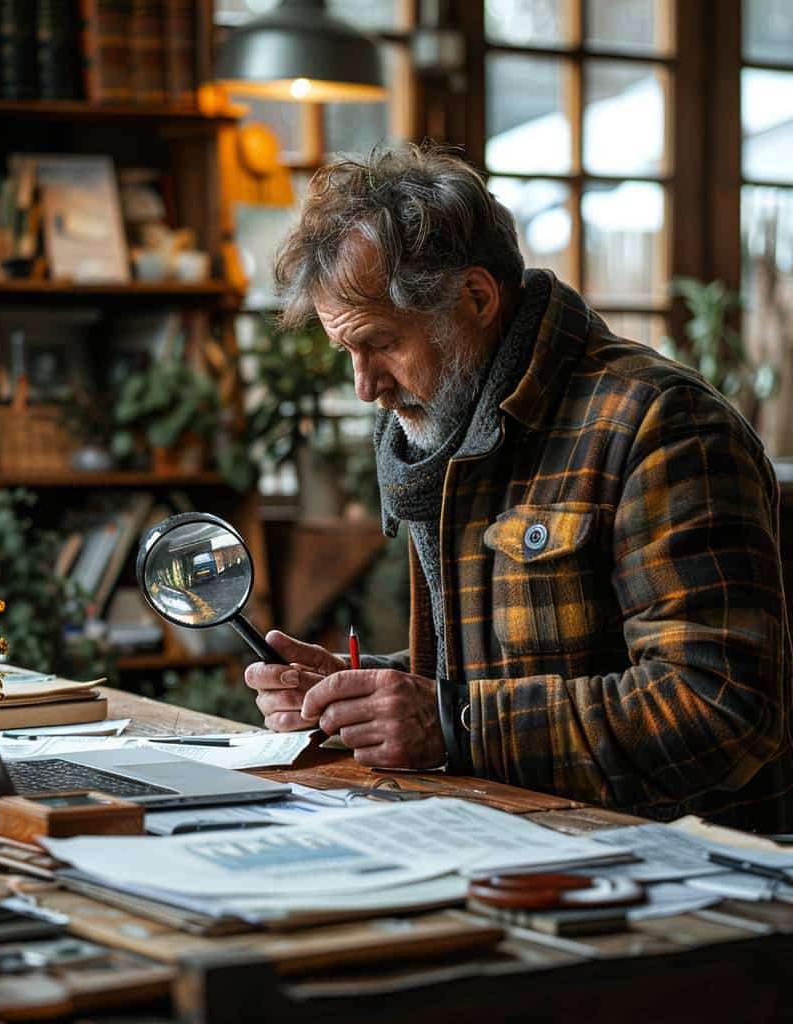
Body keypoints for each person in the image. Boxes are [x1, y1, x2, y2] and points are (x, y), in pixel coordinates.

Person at [244, 144, 793, 833]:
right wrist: (352, 695)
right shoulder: (448, 422)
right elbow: (497, 668)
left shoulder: (660, 424)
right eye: (346, 354)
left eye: (380, 343)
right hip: (499, 840)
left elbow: (721, 708)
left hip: (666, 877)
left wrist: (451, 721)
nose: (365, 386)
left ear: (476, 298)